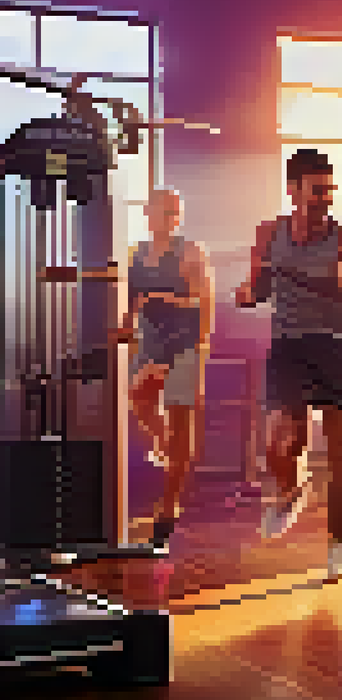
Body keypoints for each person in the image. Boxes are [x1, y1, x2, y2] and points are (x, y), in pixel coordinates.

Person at [236, 149, 342, 580]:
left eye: (330, 191)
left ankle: (338, 547)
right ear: (293, 190)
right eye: (317, 191)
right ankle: (291, 490)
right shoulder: (268, 234)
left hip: (337, 347)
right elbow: (258, 289)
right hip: (290, 346)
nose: (325, 199)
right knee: (280, 440)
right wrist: (247, 294)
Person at [115, 188, 213, 550]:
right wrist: (126, 325)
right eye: (165, 211)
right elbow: (132, 298)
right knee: (138, 398)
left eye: (175, 212)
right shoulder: (136, 253)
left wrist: (202, 343)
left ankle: (169, 506)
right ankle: (165, 444)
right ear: (149, 212)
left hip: (184, 339)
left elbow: (203, 298)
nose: (171, 218)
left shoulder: (190, 251)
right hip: (151, 338)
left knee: (180, 418)